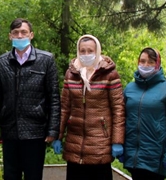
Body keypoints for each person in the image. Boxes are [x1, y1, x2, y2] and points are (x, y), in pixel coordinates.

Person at [0, 18, 61, 180]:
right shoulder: (2, 62)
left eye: (23, 32)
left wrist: (53, 130)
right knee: (10, 176)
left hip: (35, 131)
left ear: (31, 35)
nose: (20, 36)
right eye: (16, 33)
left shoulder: (46, 60)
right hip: (10, 131)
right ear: (10, 36)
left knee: (33, 176)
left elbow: (54, 98)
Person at [53, 34, 125, 180]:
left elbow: (118, 109)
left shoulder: (109, 74)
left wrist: (117, 141)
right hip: (75, 142)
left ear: (97, 51)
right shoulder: (71, 74)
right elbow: (65, 107)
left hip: (100, 143)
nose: (86, 55)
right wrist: (58, 136)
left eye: (90, 51)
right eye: (82, 51)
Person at [123, 47, 166, 180]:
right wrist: (120, 145)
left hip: (156, 158)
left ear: (157, 64)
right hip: (133, 157)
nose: (145, 65)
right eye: (142, 61)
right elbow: (121, 119)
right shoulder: (130, 88)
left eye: (150, 62)